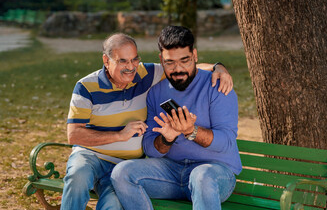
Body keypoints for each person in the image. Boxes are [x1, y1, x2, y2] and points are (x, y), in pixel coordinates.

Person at [61, 32, 234, 209]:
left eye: (134, 60)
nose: (130, 67)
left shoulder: (147, 74)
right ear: (106, 60)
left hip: (124, 164)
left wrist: (217, 68)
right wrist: (120, 135)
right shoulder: (86, 86)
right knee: (78, 177)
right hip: (92, 156)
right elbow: (74, 135)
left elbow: (182, 67)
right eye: (123, 61)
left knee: (112, 205)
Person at [111, 26, 242, 210]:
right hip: (171, 172)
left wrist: (191, 131)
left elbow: (226, 142)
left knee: (201, 176)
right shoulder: (156, 93)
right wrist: (167, 138)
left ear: (195, 56)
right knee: (121, 173)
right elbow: (150, 148)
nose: (178, 69)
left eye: (184, 61)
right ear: (161, 60)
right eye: (170, 62)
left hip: (214, 173)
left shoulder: (217, 86)